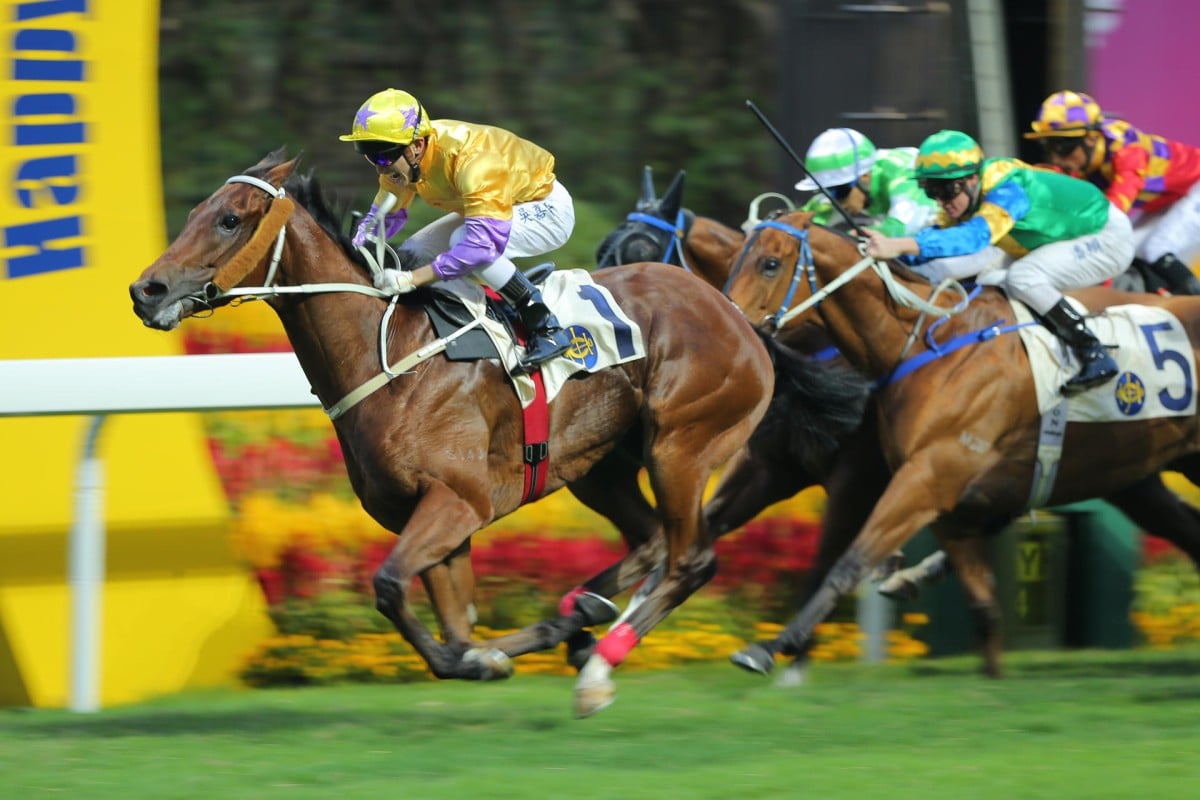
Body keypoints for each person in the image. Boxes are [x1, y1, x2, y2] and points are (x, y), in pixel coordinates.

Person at [864, 129, 1134, 397]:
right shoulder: (966, 196)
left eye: (945, 189)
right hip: (1051, 239)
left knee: (1022, 277)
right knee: (980, 279)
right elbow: (936, 243)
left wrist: (898, 245)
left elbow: (973, 239)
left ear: (972, 179)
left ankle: (1093, 352)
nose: (941, 201)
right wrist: (888, 255)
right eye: (931, 190)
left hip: (1107, 236)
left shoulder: (1008, 188)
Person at [339, 88, 575, 372]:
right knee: (414, 252)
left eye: (382, 157)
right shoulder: (400, 159)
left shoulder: (473, 160)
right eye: (371, 157)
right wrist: (351, 250)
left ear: (417, 146)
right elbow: (382, 219)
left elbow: (480, 246)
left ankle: (545, 326)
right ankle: (479, 311)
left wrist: (412, 279)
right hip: (497, 207)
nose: (380, 169)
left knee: (462, 241)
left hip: (546, 208)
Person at [1024, 89, 1200, 296]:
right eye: (1049, 147)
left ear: (1091, 139)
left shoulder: (1128, 150)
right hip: (1171, 198)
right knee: (1131, 251)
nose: (1056, 158)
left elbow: (1111, 214)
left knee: (1156, 248)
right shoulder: (1085, 161)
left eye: (1064, 147)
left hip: (1194, 187)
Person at [795, 128, 939, 236]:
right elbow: (798, 225)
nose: (835, 201)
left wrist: (848, 239)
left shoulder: (903, 172)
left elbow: (902, 229)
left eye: (839, 192)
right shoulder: (848, 185)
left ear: (864, 176)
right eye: (825, 191)